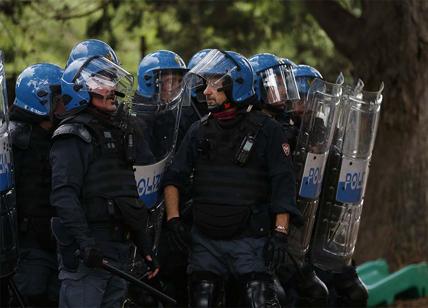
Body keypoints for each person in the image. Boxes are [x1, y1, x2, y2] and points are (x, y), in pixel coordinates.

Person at [162, 49, 301, 307]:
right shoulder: (199, 130)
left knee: (258, 301)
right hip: (206, 241)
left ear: (235, 85)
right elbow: (174, 177)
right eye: (205, 84)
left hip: (249, 241)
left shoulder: (268, 130)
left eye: (214, 84)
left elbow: (284, 184)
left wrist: (281, 233)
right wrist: (174, 219)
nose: (206, 91)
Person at [50, 55, 158, 308]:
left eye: (111, 81)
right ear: (79, 91)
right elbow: (64, 196)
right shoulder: (72, 136)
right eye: (101, 83)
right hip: (89, 254)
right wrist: (86, 244)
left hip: (117, 249)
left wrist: (144, 245)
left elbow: (126, 192)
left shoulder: (118, 132)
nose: (112, 90)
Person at [8, 63, 63, 307]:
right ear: (41, 98)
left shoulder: (58, 135)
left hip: (57, 242)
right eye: (59, 98)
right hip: (29, 245)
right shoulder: (14, 140)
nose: (65, 104)